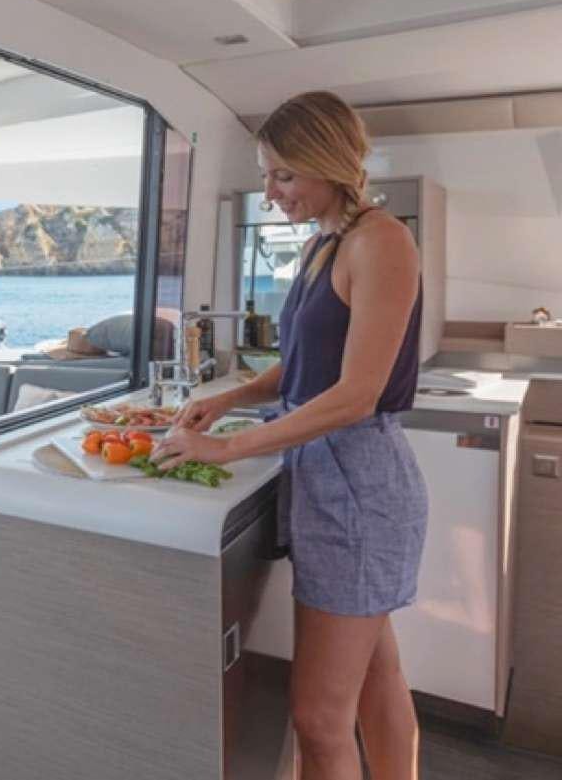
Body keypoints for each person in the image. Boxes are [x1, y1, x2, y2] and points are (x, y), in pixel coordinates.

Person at [150, 91, 427, 780]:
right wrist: (227, 401)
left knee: (318, 718)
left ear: (328, 162)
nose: (270, 192)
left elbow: (356, 394)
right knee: (375, 676)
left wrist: (230, 447)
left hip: (359, 486)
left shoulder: (382, 241)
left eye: (283, 175)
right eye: (267, 175)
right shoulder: (322, 246)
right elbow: (301, 367)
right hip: (326, 476)